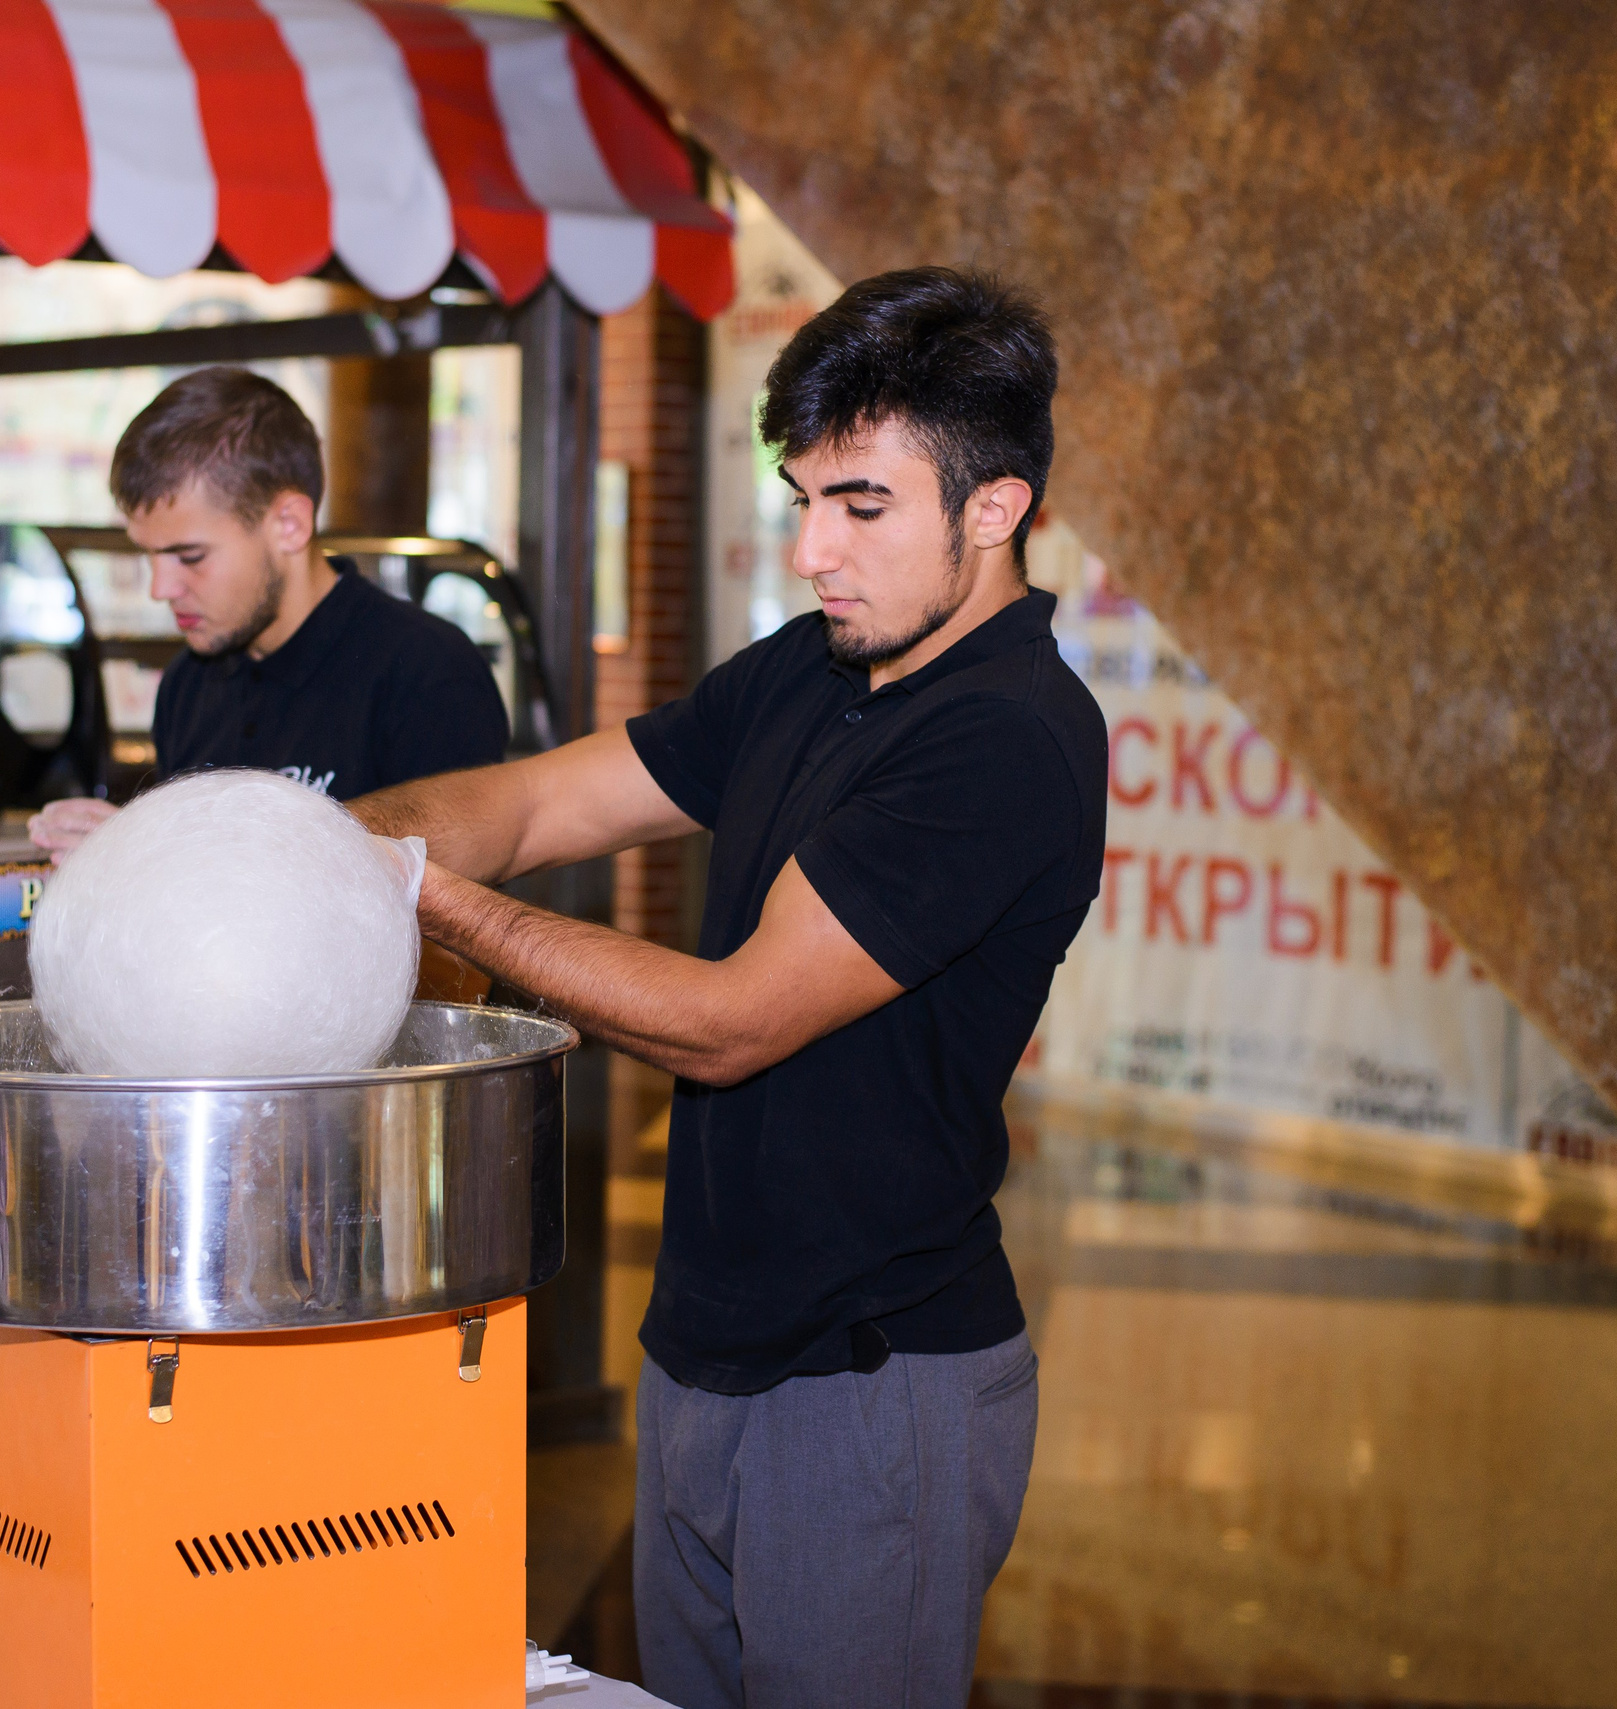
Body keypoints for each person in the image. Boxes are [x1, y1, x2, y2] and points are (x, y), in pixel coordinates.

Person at [350, 269, 1104, 1709]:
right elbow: (533, 805)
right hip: (708, 1342)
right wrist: (304, 845)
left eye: (861, 507)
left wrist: (427, 903)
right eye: (801, 496)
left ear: (995, 508)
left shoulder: (1006, 739)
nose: (813, 548)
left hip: (875, 1383)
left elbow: (728, 1019)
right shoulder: (817, 664)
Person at [28, 366, 507, 863]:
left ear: (289, 525)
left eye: (190, 557)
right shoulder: (186, 687)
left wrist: (161, 851)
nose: (160, 588)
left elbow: (452, 924)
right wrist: (138, 854)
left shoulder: (427, 674)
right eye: (148, 556)